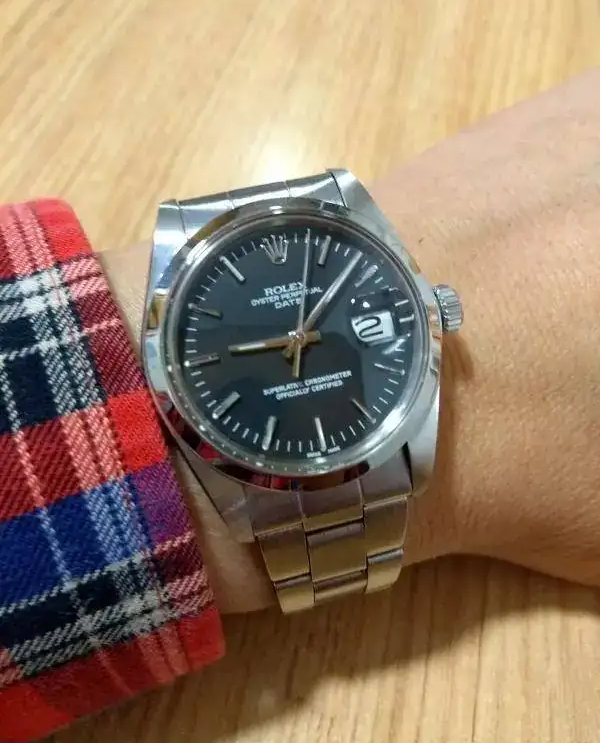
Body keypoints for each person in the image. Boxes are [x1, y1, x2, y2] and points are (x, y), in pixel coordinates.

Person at [1, 69, 599, 740]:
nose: (297, 339)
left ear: (437, 312)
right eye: (291, 340)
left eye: (301, 335)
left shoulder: (410, 328)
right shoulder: (182, 348)